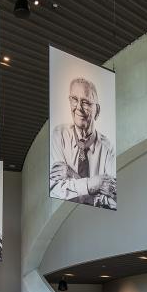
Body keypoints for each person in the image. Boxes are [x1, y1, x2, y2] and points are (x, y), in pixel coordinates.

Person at [49, 77, 116, 209]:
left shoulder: (108, 148)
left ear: (97, 111)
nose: (78, 107)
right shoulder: (59, 135)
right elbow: (55, 189)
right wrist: (92, 184)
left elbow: (113, 199)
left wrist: (71, 175)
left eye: (85, 102)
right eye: (74, 99)